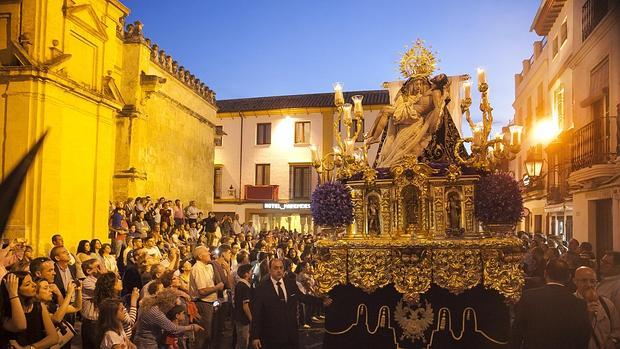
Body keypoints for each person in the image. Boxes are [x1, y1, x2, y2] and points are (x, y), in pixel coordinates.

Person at [510, 259, 591, 349]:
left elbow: (517, 332)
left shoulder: (529, 297)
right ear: (568, 277)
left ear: (545, 274)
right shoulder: (579, 304)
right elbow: (583, 338)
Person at [250, 258, 330, 349]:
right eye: (275, 268)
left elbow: (303, 297)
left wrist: (321, 302)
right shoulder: (262, 288)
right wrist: (255, 336)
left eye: (281, 268)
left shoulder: (290, 284)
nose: (279, 271)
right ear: (270, 270)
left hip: (291, 333)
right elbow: (257, 313)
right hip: (272, 335)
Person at [1, 271, 59, 349]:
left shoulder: (38, 306)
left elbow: (54, 337)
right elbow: (21, 326)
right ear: (16, 289)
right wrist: (13, 294)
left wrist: (30, 348)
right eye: (27, 284)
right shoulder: (5, 312)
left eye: (32, 281)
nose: (35, 285)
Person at [133, 289, 203, 349]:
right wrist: (192, 327)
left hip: (142, 340)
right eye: (173, 304)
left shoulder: (151, 305)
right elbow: (173, 329)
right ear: (167, 303)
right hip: (146, 344)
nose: (173, 306)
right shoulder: (155, 312)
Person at [574, 266, 620, 348]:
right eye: (584, 280)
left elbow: (617, 329)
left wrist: (613, 340)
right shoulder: (569, 303)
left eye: (592, 281)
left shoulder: (607, 304)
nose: (589, 285)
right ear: (575, 281)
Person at [190, 246, 224, 349]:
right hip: (203, 304)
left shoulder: (208, 266)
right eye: (207, 252)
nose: (209, 254)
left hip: (211, 303)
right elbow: (202, 291)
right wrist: (217, 287)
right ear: (200, 256)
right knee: (204, 335)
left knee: (211, 333)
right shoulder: (198, 268)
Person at [81, 258, 103, 348]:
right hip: (91, 323)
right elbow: (106, 291)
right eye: (98, 266)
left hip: (99, 321)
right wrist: (105, 274)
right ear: (89, 271)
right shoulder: (87, 283)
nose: (101, 268)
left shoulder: (99, 281)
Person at [234, 264, 253, 349]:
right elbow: (245, 306)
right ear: (246, 274)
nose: (252, 273)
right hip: (243, 319)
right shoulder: (244, 287)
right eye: (250, 272)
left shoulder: (239, 285)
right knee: (243, 341)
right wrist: (251, 319)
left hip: (239, 317)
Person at [598, 251, 620, 319]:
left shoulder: (617, 286)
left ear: (617, 267)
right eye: (602, 261)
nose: (601, 264)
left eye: (606, 263)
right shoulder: (602, 280)